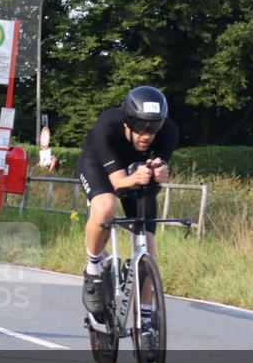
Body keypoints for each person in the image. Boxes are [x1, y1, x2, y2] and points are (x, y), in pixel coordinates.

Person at [76, 86, 179, 322]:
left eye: (154, 127)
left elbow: (156, 171)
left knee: (148, 248)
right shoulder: (107, 125)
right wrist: (136, 177)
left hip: (136, 172)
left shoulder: (169, 131)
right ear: (128, 121)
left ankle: (145, 317)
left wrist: (161, 174)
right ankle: (93, 269)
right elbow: (119, 183)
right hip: (99, 166)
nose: (147, 134)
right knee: (105, 208)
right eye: (141, 126)